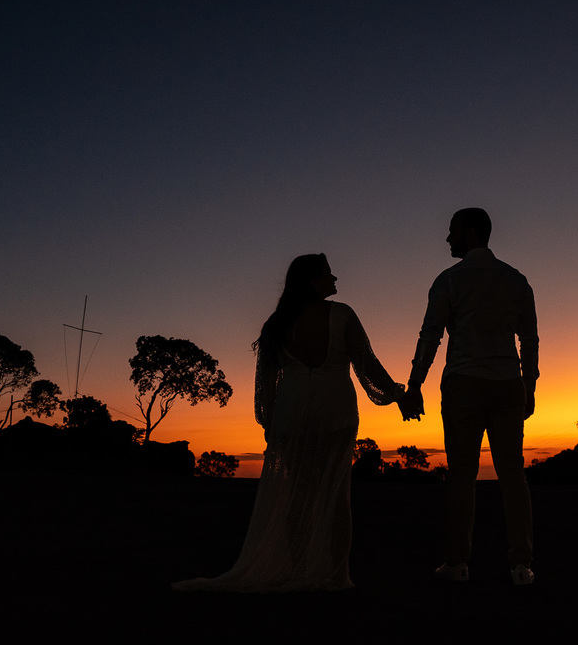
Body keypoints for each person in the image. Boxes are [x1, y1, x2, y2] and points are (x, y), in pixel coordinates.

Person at [172, 254, 408, 592]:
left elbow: (266, 386)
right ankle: (335, 576)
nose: (334, 278)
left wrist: (270, 423)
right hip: (334, 412)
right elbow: (367, 365)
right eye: (328, 273)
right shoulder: (342, 314)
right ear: (312, 280)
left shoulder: (277, 323)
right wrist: (398, 395)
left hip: (292, 413)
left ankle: (300, 572)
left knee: (299, 494)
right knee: (336, 495)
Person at [401, 208, 538, 585]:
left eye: (453, 231)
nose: (448, 238)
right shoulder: (516, 280)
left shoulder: (449, 279)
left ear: (472, 233)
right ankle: (521, 565)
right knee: (513, 476)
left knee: (462, 476)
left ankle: (458, 563)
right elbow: (529, 339)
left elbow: (430, 336)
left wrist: (415, 384)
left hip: (464, 384)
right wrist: (529, 385)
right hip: (508, 383)